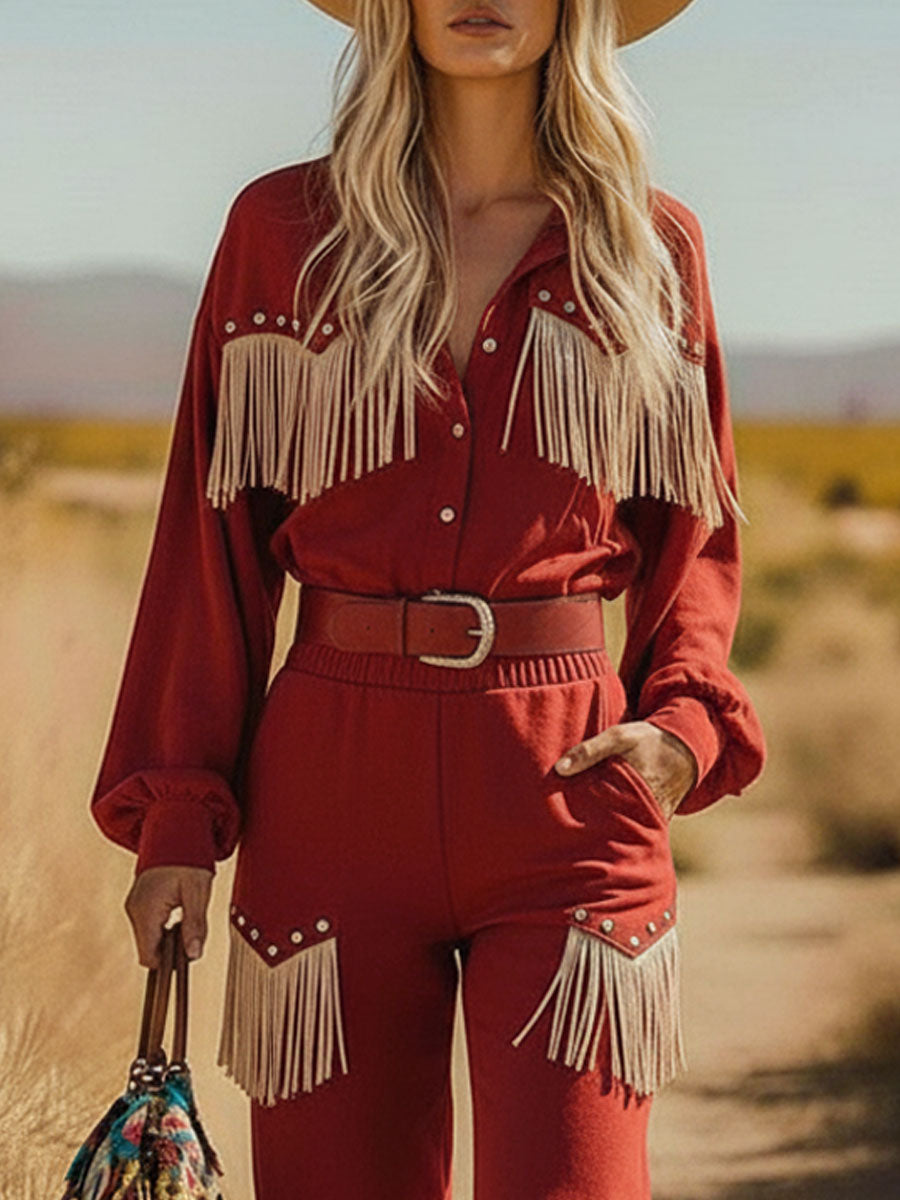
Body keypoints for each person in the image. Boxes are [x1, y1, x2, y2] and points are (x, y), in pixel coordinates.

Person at [89, 0, 766, 1196]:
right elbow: (210, 543)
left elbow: (696, 536)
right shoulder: (282, 234)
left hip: (568, 789)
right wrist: (178, 820)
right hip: (331, 791)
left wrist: (680, 731)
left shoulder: (649, 248)